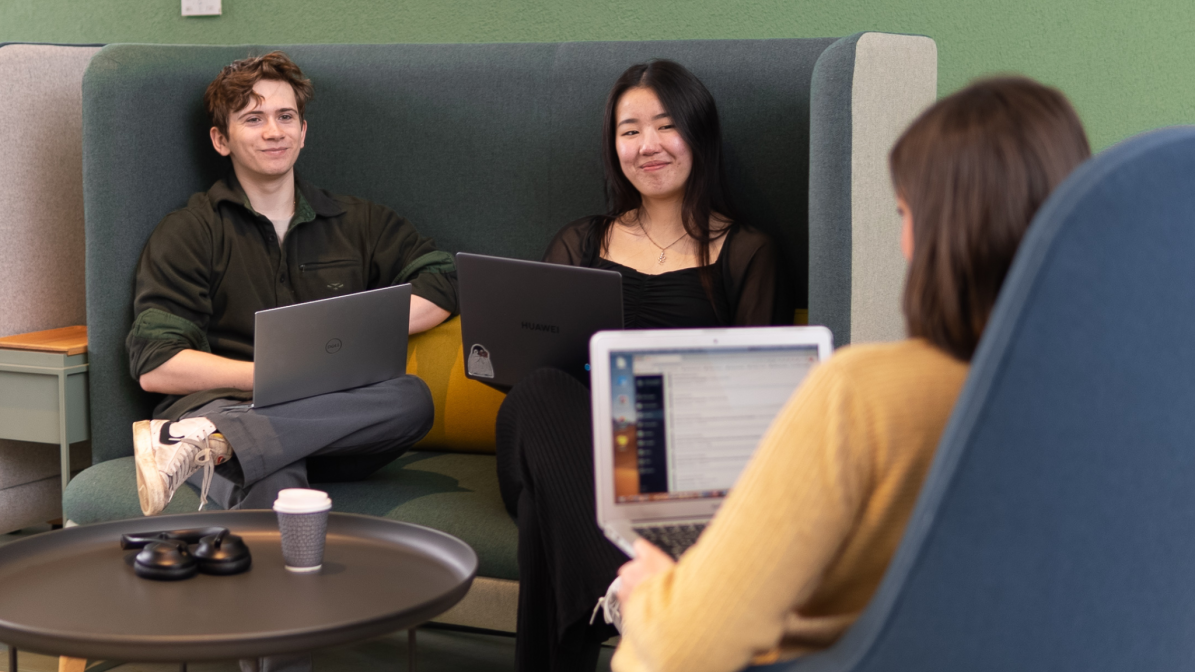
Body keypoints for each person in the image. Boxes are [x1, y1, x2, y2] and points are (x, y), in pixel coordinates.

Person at [610, 76, 1092, 672]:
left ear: (938, 231)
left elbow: (686, 650)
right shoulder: (1118, 399)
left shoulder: (863, 396)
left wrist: (655, 595)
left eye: (903, 212)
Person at [495, 59, 792, 672]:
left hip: (669, 469)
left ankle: (613, 604)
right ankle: (642, 600)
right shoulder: (580, 241)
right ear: (614, 147)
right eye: (629, 130)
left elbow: (761, 403)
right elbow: (529, 368)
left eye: (665, 126)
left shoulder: (748, 251)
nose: (647, 145)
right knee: (541, 389)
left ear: (699, 136)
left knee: (539, 519)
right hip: (566, 440)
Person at [127, 51, 457, 518]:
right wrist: (271, 377)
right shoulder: (190, 230)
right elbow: (156, 365)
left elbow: (442, 278)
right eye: (253, 118)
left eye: (285, 116)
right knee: (276, 485)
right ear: (221, 140)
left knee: (412, 398)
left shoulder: (359, 221)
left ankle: (219, 442)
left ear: (303, 132)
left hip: (332, 422)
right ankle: (227, 440)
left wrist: (361, 332)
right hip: (222, 403)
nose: (273, 131)